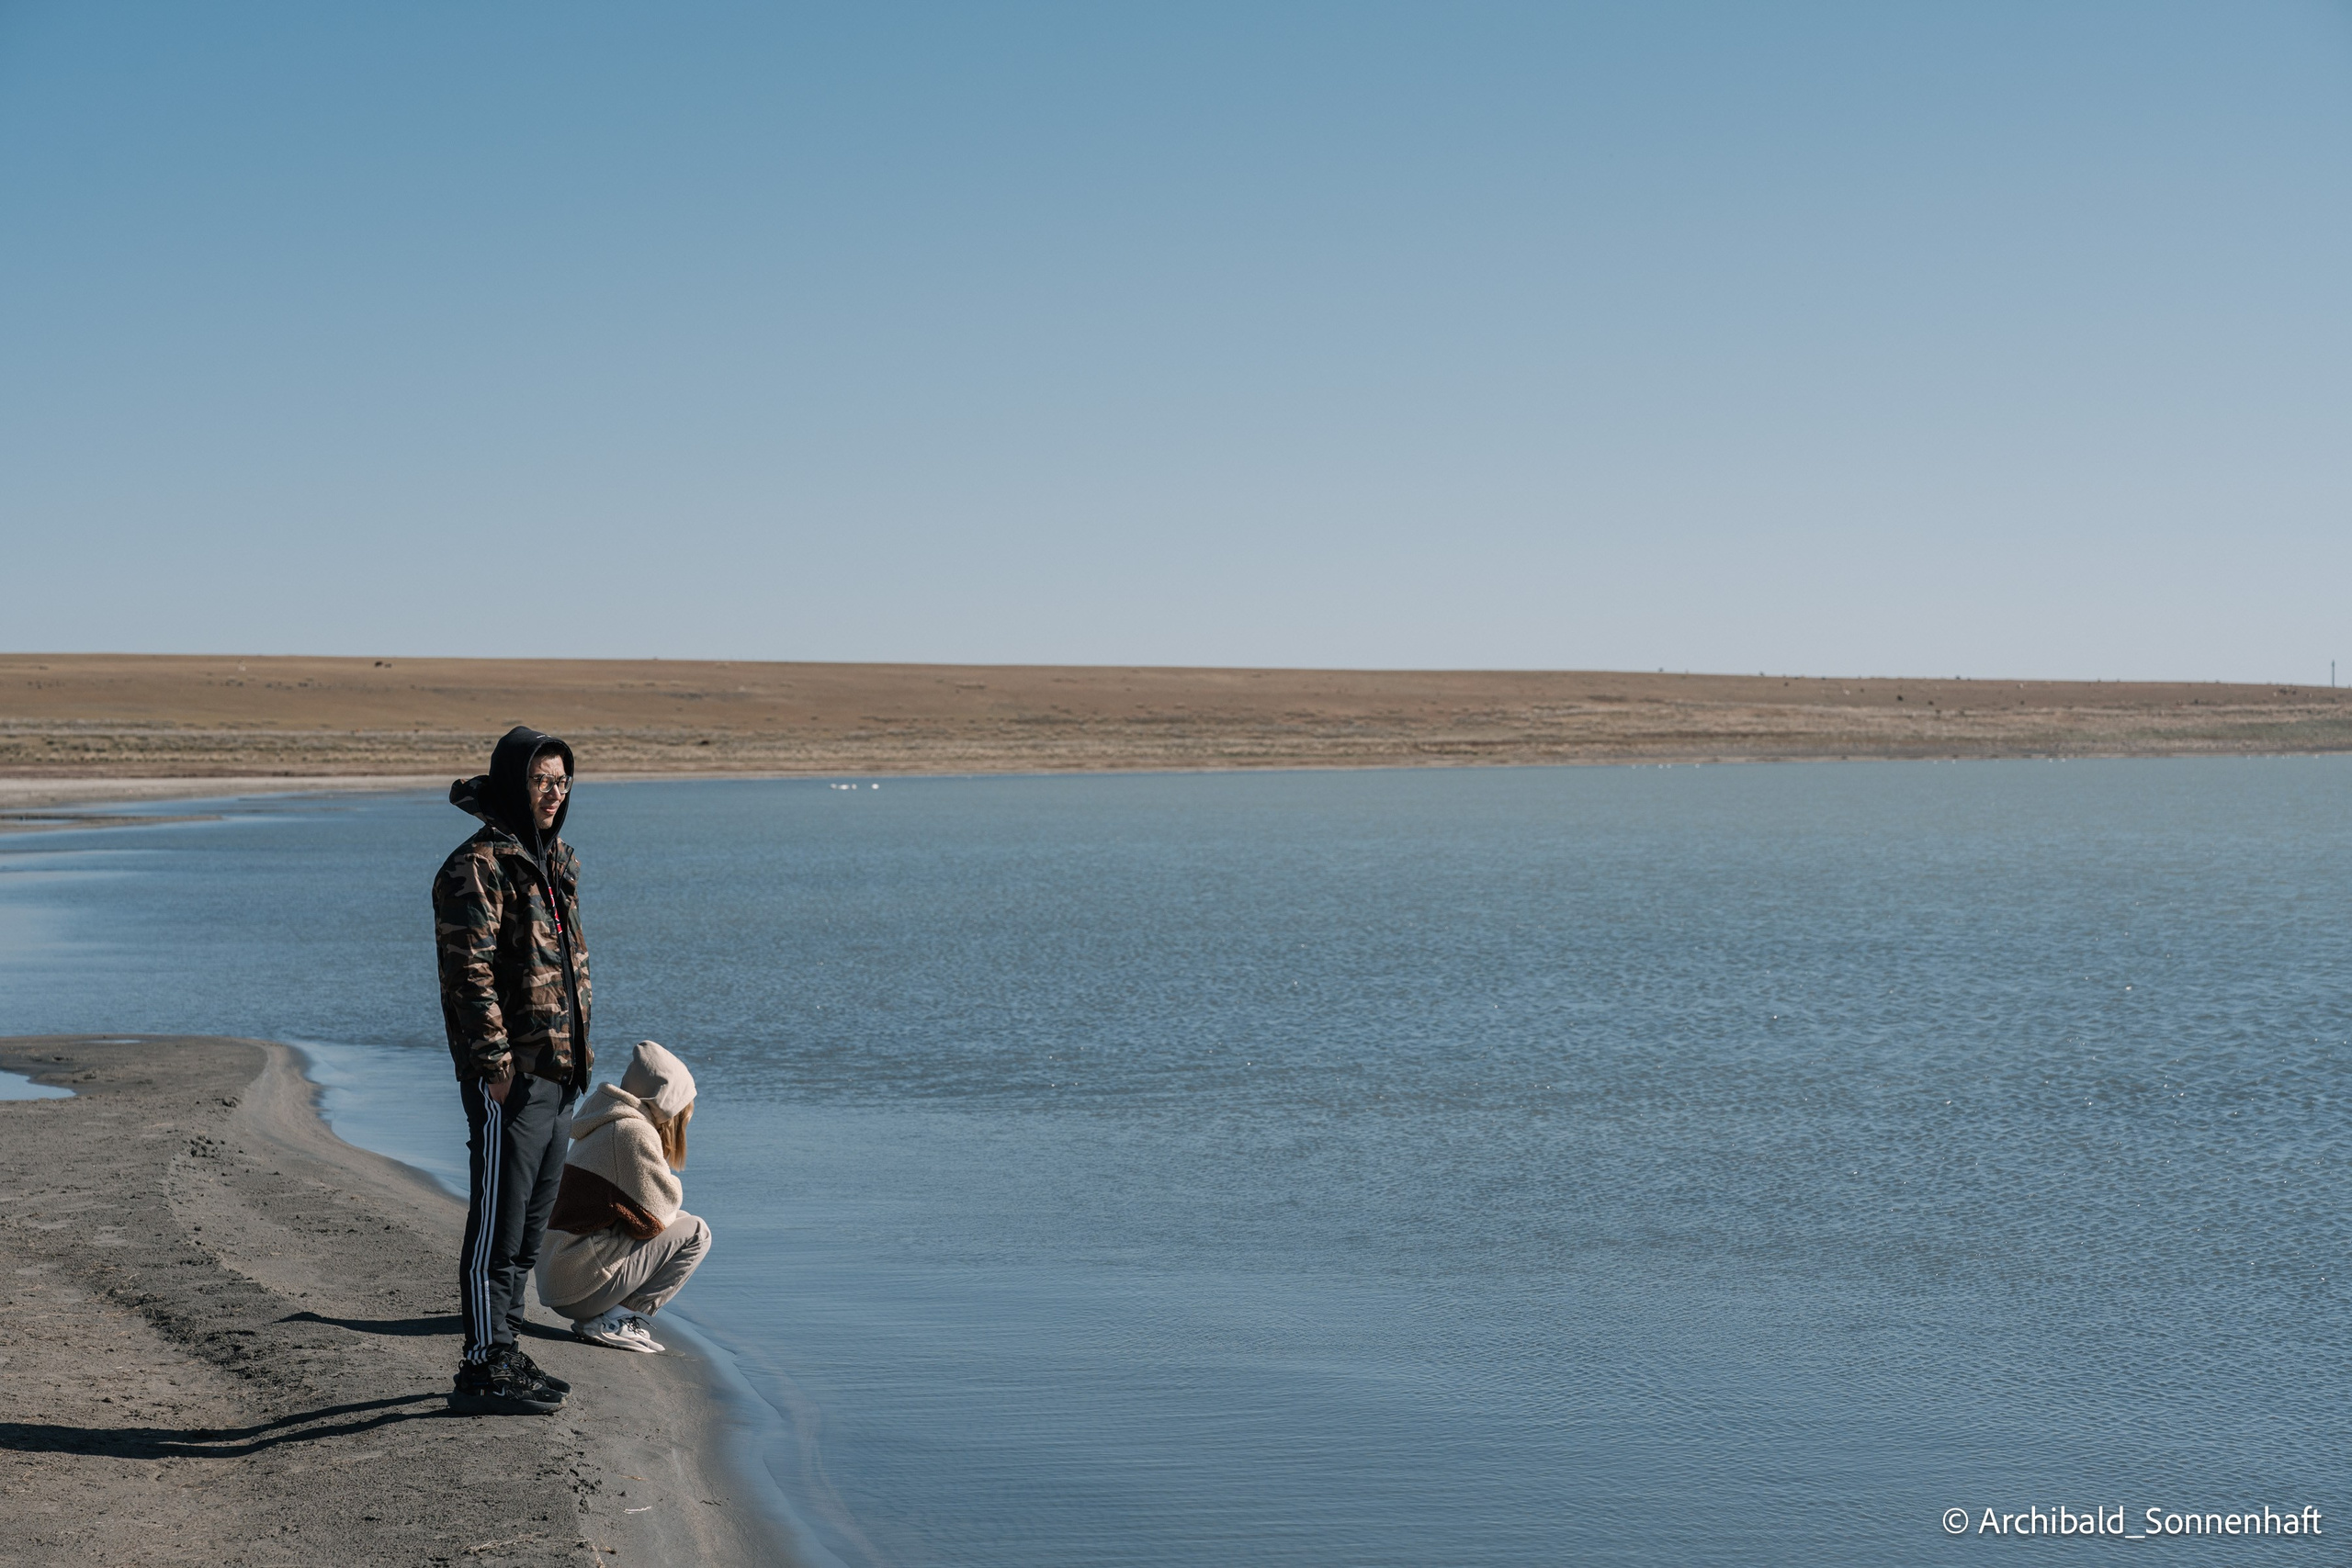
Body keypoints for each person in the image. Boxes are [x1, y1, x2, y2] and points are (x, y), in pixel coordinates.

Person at [435, 726, 591, 1415]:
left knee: (528, 1227)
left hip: (557, 1076)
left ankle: (507, 1348)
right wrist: (496, 1068)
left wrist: (576, 1063)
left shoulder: (552, 861)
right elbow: (469, 974)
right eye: (539, 780)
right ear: (511, 782)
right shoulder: (478, 866)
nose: (553, 793)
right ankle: (480, 1364)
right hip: (512, 1079)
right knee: (497, 1226)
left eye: (561, 782)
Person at [537, 1040, 712, 1351]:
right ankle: (614, 1320)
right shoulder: (632, 1132)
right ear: (666, 1102)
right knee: (697, 1232)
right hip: (577, 1285)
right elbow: (658, 1215)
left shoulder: (608, 1119)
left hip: (564, 1271)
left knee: (682, 1223)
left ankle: (607, 1316)